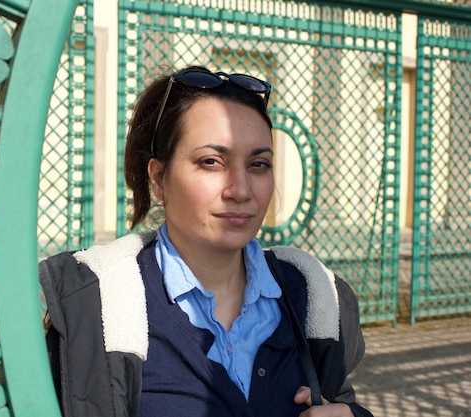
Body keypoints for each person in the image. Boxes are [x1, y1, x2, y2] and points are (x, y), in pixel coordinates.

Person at [40, 65, 373, 417]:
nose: (241, 190)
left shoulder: (312, 296)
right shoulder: (101, 307)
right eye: (211, 162)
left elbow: (340, 399)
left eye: (259, 164)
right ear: (158, 179)